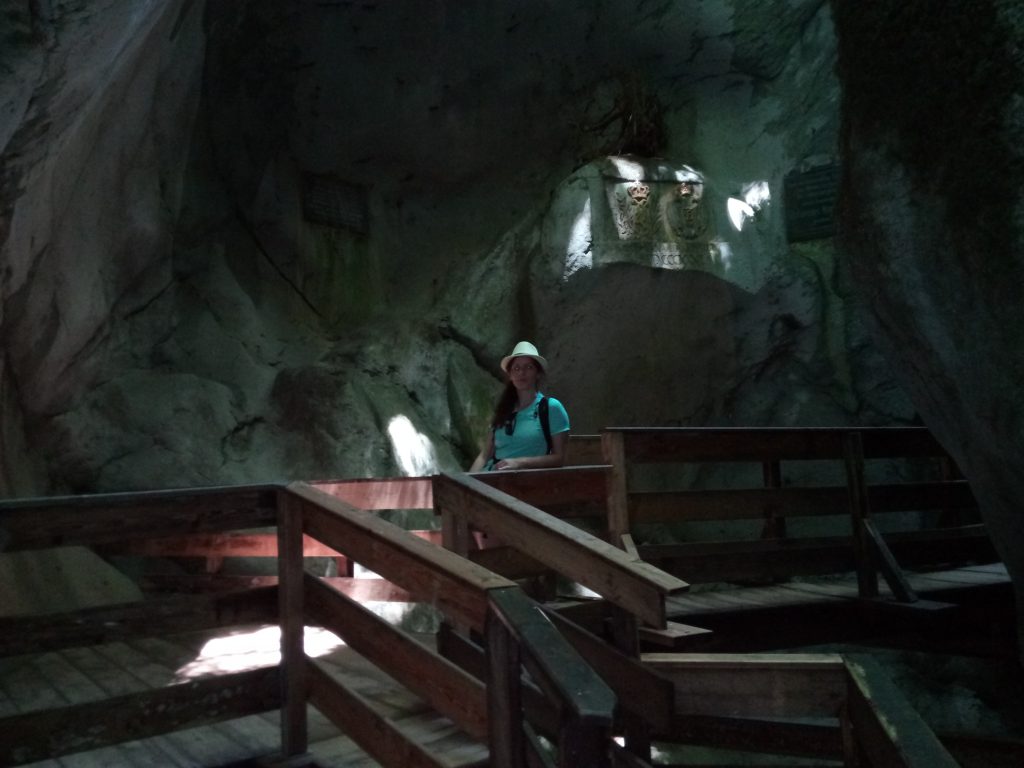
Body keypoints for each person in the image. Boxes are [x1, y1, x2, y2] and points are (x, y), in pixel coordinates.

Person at [469, 341, 570, 471]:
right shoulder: (503, 410)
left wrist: (520, 463)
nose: (521, 372)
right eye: (516, 368)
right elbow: (484, 456)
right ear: (510, 375)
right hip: (491, 480)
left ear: (538, 373)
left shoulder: (550, 408)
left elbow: (559, 458)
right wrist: (467, 483)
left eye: (529, 367)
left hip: (527, 484)